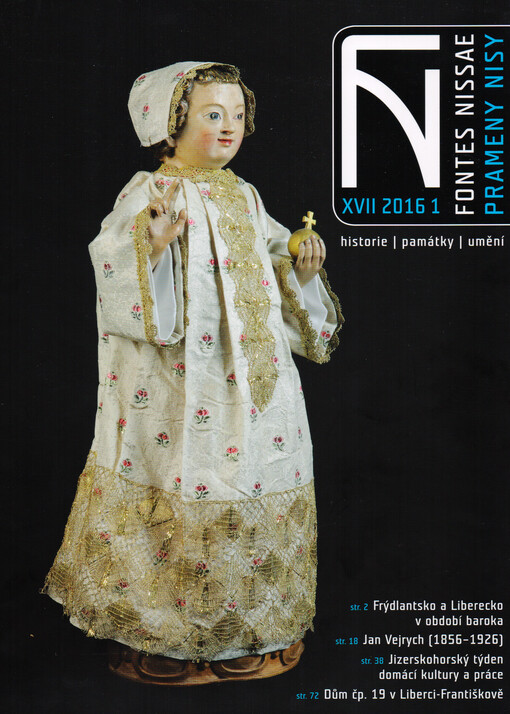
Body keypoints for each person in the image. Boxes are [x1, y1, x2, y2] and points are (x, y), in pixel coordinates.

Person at [44, 61, 343, 672]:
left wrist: (301, 270)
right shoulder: (150, 192)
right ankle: (169, 637)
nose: (229, 126)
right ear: (171, 123)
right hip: (180, 378)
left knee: (255, 473)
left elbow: (273, 262)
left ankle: (247, 634)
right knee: (180, 474)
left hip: (257, 381)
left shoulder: (245, 194)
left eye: (237, 114)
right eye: (212, 114)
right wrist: (153, 248)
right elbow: (117, 265)